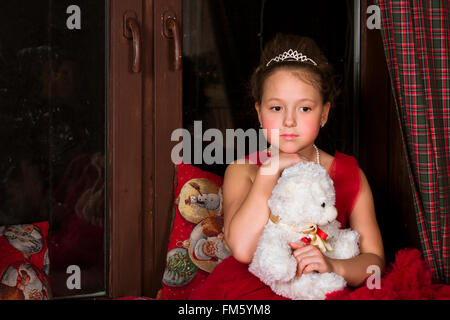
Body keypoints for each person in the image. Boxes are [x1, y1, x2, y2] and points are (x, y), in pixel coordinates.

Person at [189, 33, 385, 300]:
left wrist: (334, 265)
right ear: (259, 113)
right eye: (276, 108)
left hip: (321, 291)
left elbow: (375, 263)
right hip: (253, 293)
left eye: (304, 109)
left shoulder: (350, 174)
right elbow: (243, 250)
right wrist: (269, 172)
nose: (289, 121)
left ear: (324, 113)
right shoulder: (243, 170)